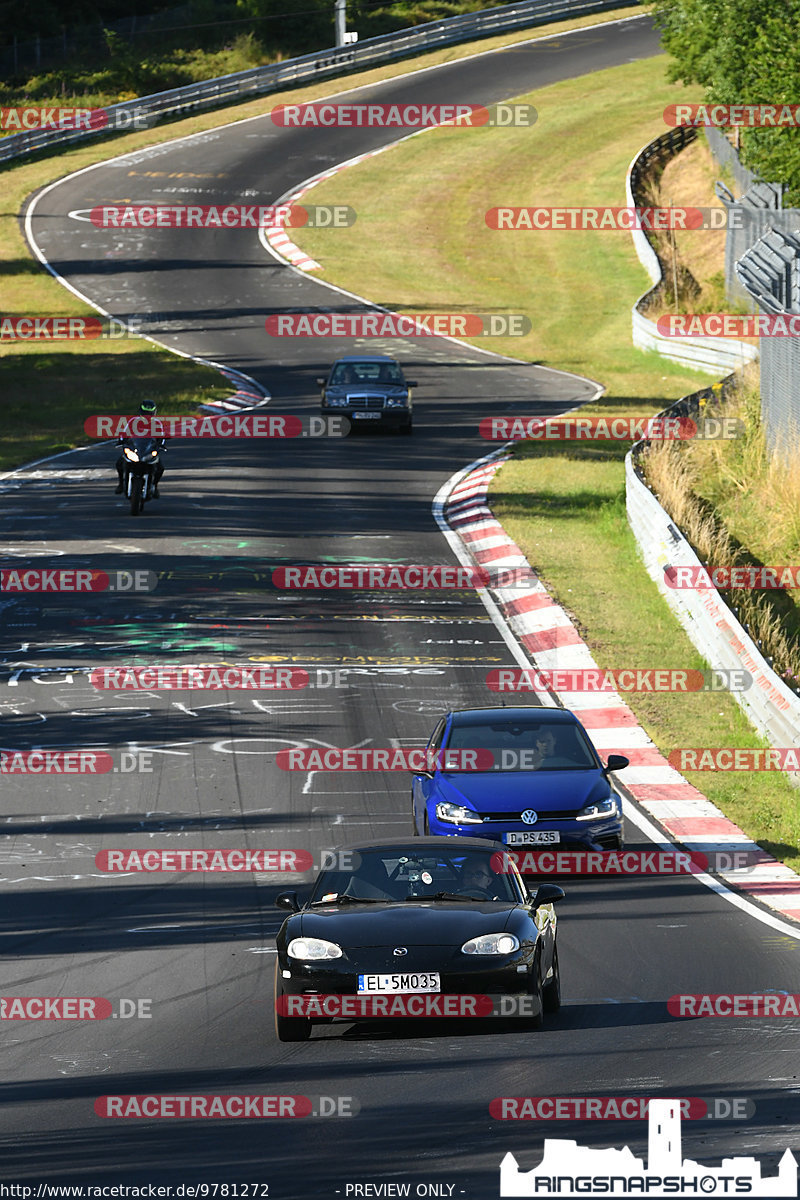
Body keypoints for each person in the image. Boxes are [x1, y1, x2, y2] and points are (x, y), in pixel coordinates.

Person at [115, 400, 166, 497]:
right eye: (145, 412)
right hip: (135, 447)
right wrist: (122, 441)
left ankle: (154, 486)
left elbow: (161, 437)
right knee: (119, 463)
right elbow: (124, 433)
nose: (147, 415)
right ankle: (121, 484)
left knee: (160, 468)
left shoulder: (157, 423)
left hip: (149, 449)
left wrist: (160, 445)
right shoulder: (133, 421)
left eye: (149, 413)